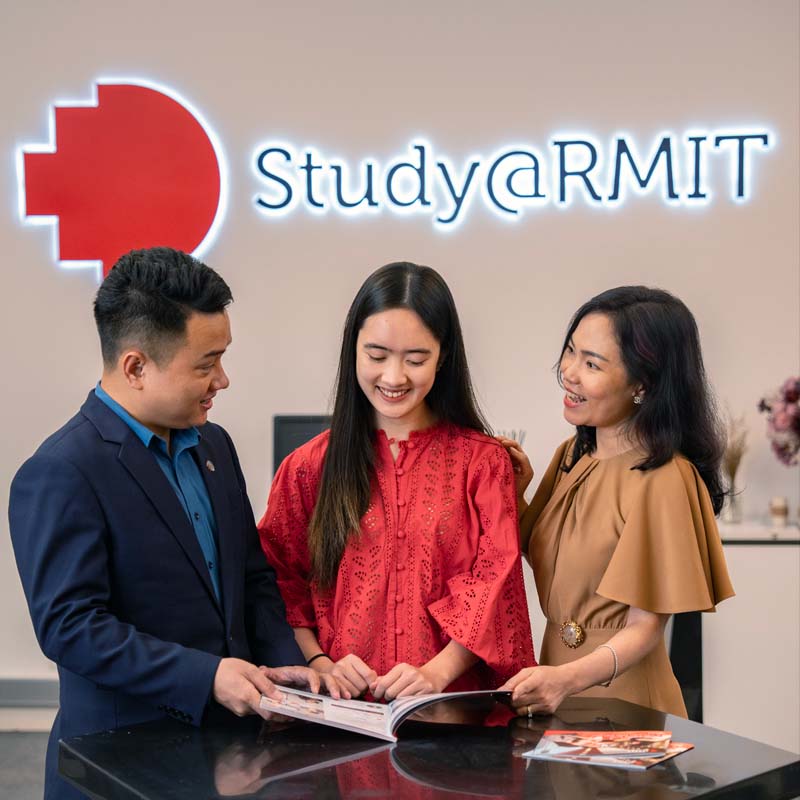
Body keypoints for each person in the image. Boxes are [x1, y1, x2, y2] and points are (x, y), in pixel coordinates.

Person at [9, 248, 338, 800]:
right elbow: (71, 627)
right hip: (121, 765)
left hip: (230, 761)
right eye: (206, 365)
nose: (223, 380)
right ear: (136, 367)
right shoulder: (60, 471)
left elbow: (253, 580)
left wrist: (290, 671)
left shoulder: (215, 446)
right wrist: (206, 677)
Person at [258, 261, 535, 701]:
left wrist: (436, 674)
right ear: (353, 349)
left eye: (416, 359)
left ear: (443, 356)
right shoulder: (308, 466)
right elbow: (279, 580)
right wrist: (320, 663)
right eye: (376, 356)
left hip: (449, 714)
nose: (393, 377)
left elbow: (494, 584)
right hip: (341, 712)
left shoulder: (482, 462)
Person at [497, 285, 734, 718]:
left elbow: (646, 628)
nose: (569, 373)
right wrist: (516, 493)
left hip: (626, 701)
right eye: (571, 352)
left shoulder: (664, 477)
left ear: (643, 384)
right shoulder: (573, 454)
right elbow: (557, 563)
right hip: (557, 689)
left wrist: (565, 679)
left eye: (592, 364)